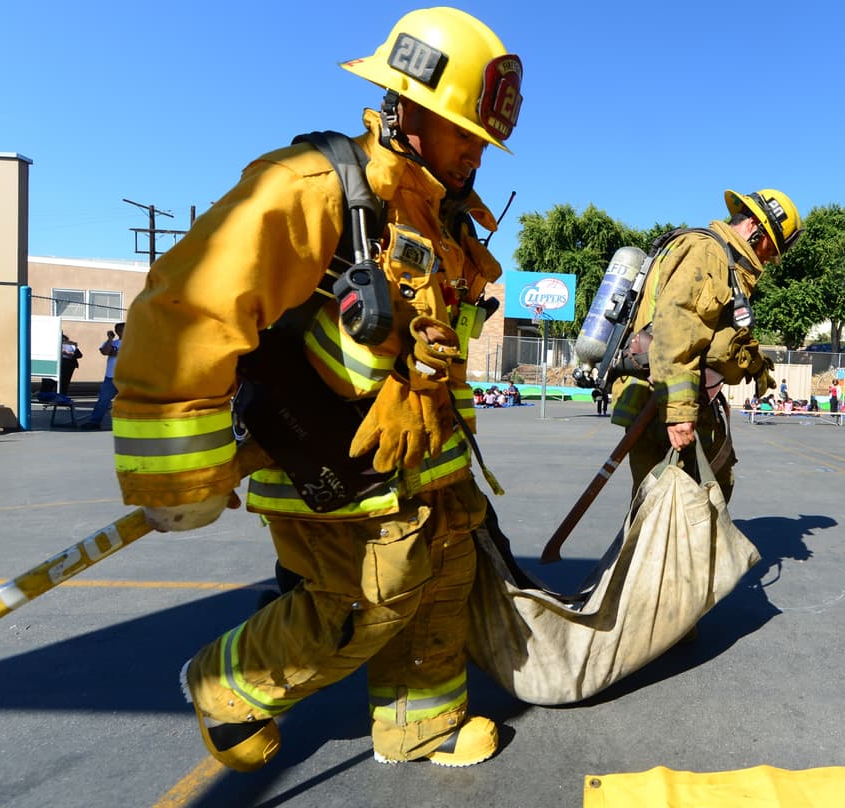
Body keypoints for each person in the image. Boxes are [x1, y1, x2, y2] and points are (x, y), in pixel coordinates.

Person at [108, 8, 523, 771]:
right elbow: (189, 304)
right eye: (461, 131)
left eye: (483, 140)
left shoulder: (446, 223)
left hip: (424, 466)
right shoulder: (312, 188)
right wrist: (181, 471)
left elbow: (437, 354)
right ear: (404, 108)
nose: (474, 154)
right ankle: (225, 688)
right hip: (325, 463)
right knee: (373, 594)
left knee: (442, 581)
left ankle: (421, 726)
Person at [610, 189, 802, 501]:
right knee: (674, 510)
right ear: (755, 226)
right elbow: (676, 331)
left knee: (682, 502)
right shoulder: (707, 252)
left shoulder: (723, 259)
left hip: (666, 398)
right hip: (662, 401)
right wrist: (679, 413)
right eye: (771, 247)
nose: (769, 258)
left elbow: (716, 334)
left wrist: (754, 364)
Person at [80, 323, 122, 429]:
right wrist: (110, 339)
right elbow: (105, 351)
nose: (121, 332)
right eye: (119, 330)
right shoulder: (113, 342)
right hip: (110, 377)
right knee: (103, 400)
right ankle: (94, 422)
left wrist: (114, 352)